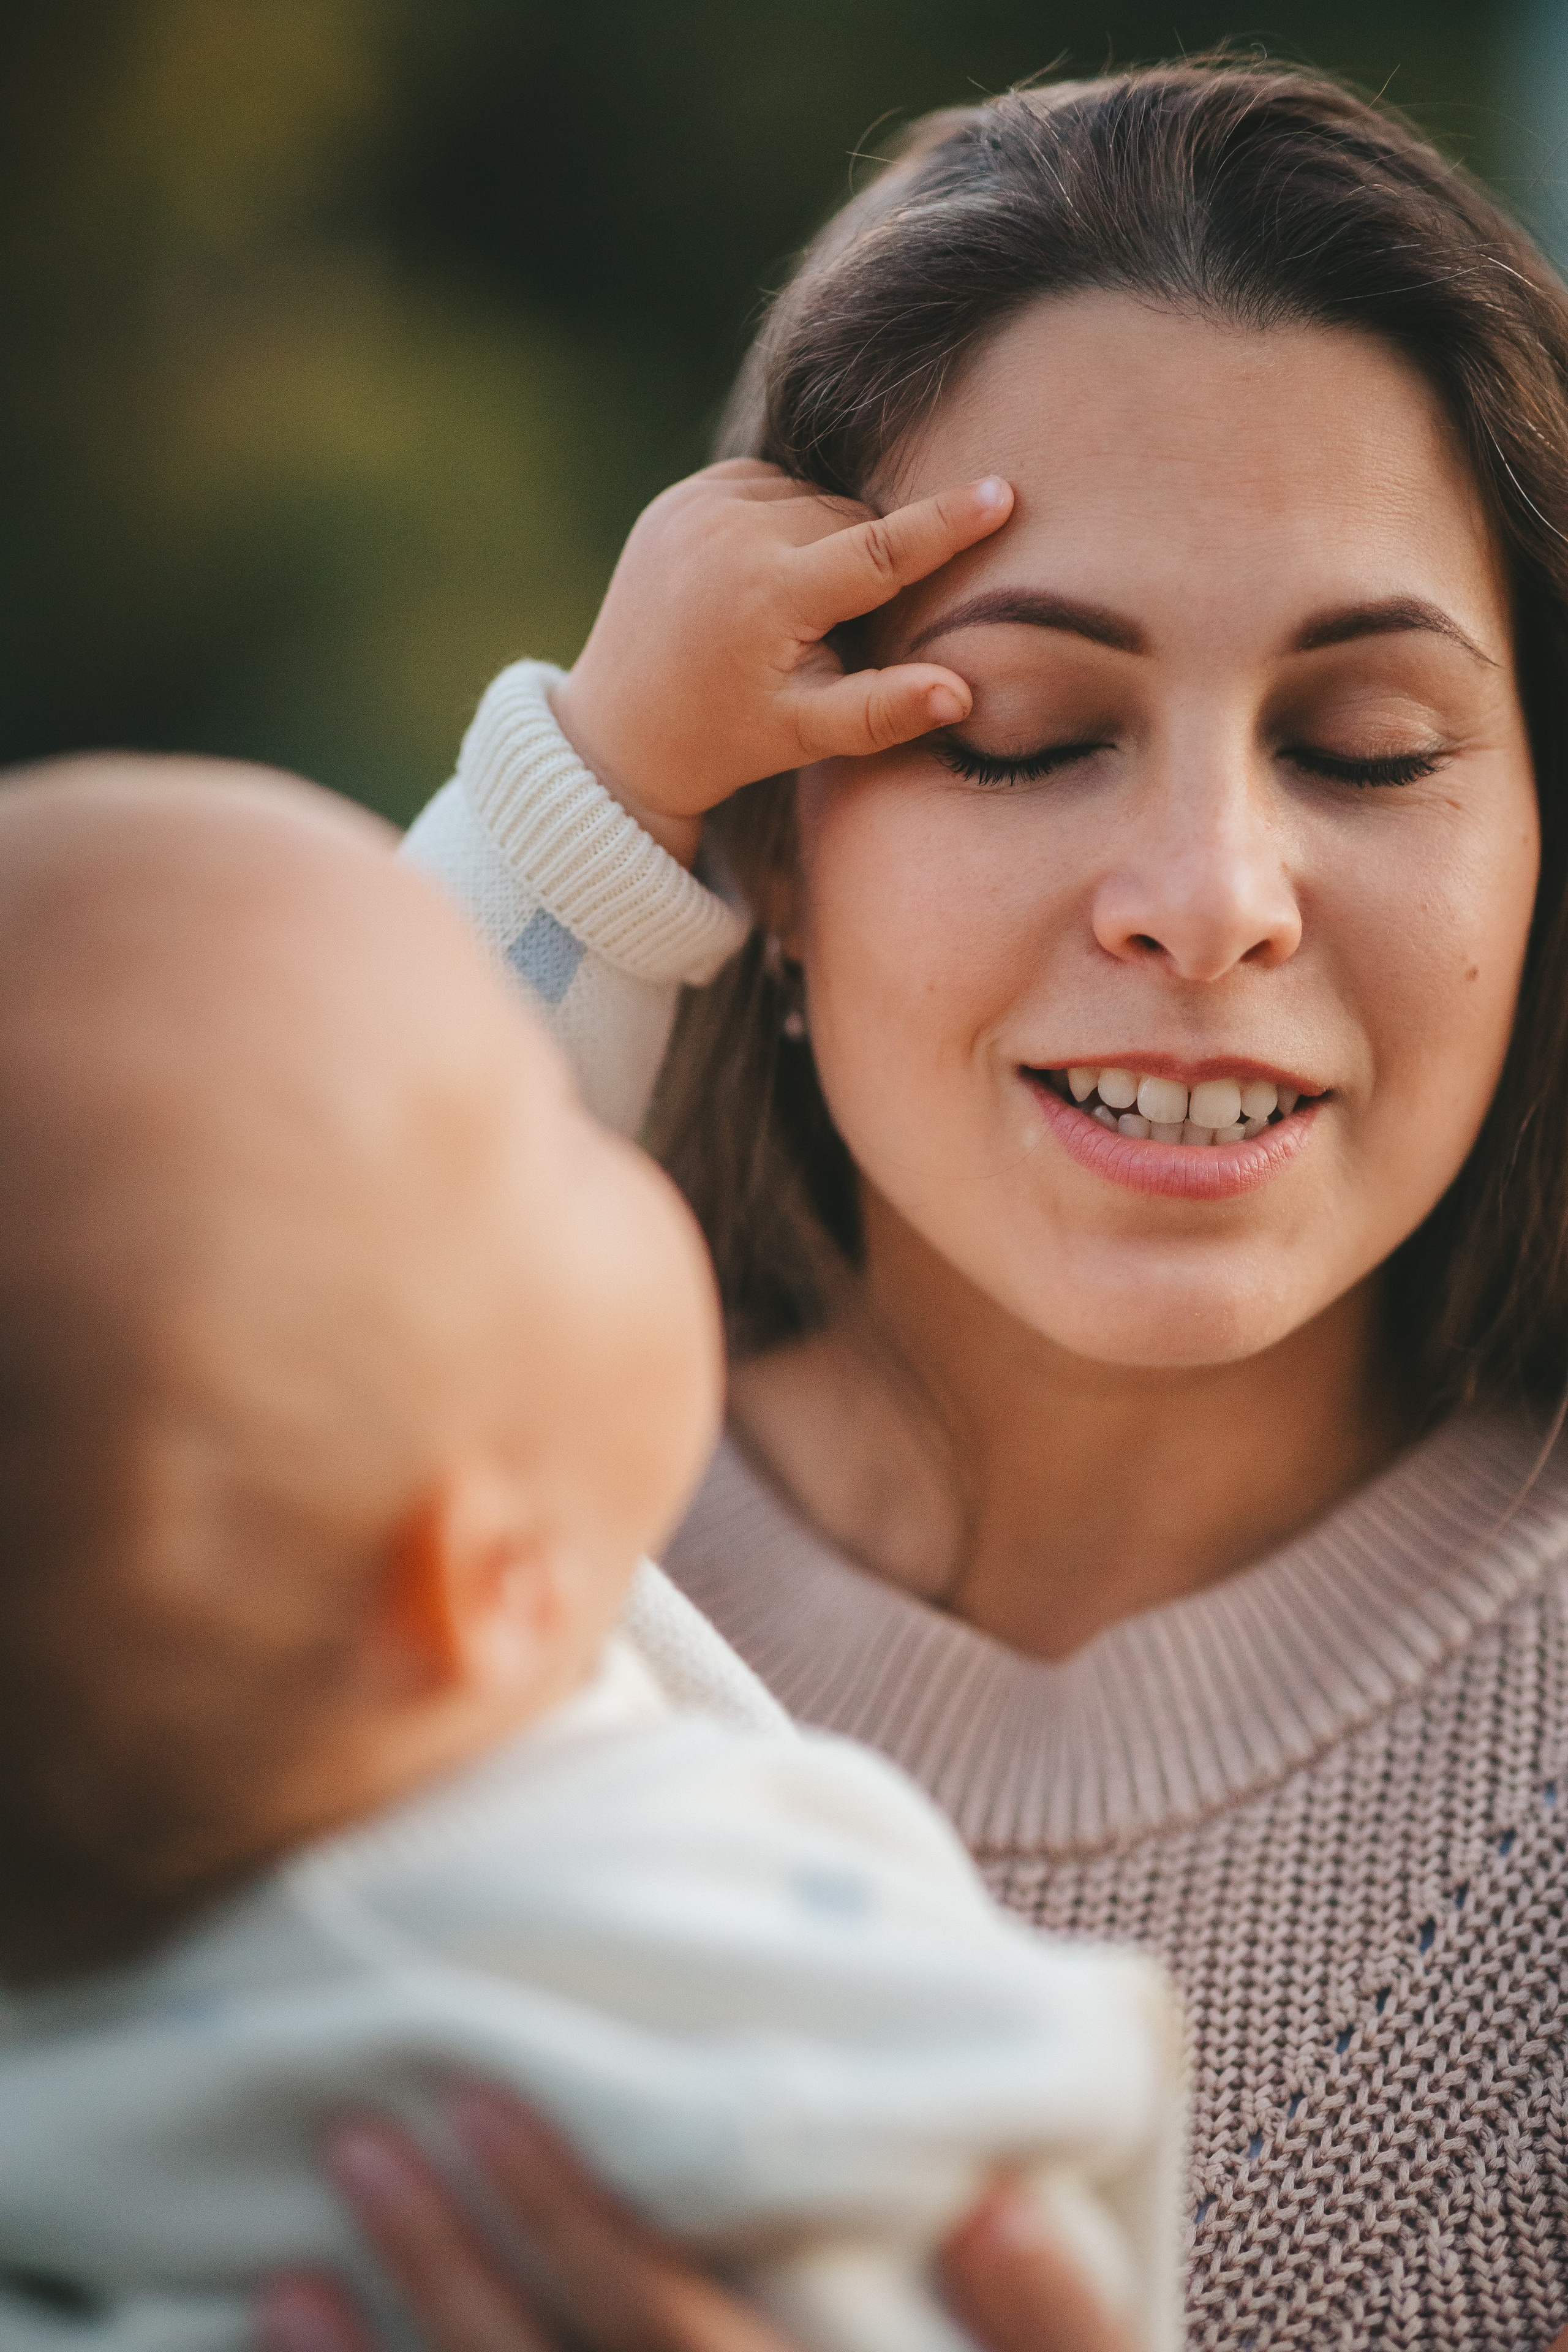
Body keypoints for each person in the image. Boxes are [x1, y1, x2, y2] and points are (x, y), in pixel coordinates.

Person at [387, 55, 1568, 2352]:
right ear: (762, 848)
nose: (1213, 899)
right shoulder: (393, 1582)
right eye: (1017, 729)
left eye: (1368, 749)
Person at [0, 760, 1184, 2352]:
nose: (613, 1102)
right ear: (489, 1587)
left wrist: (619, 759)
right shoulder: (675, 1945)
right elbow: (1066, 2119)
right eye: (554, 1123)